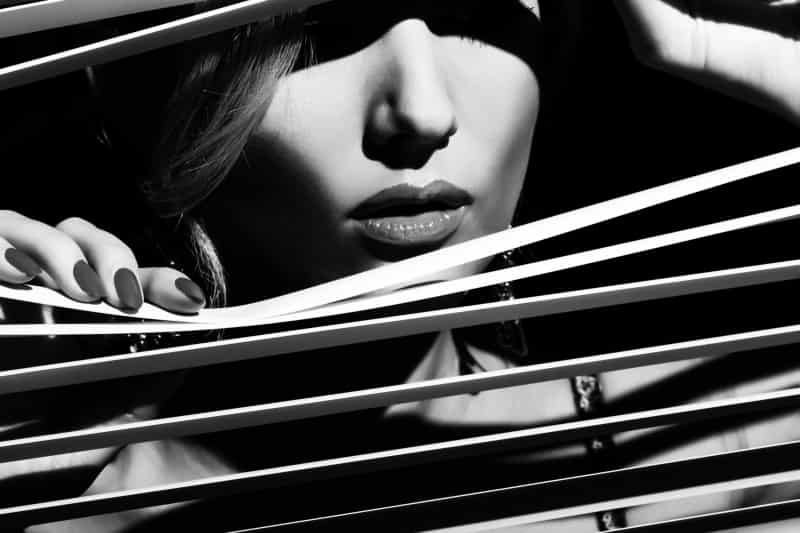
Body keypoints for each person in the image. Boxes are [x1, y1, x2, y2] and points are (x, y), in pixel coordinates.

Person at [1, 0, 799, 531]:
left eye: (477, 13)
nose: (422, 111)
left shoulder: (714, 445)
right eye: (320, 29)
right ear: (133, 87)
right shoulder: (53, 492)